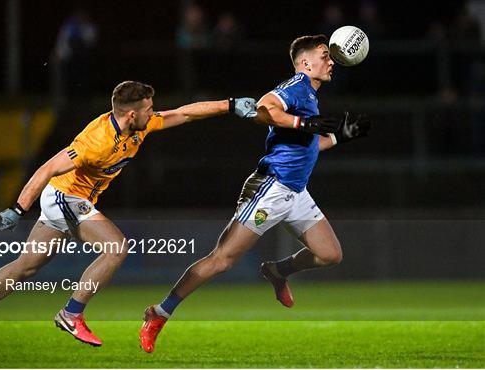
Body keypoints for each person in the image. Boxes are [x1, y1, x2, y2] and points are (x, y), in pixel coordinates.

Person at [0, 81, 257, 361]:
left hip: (71, 200)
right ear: (131, 113)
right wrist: (18, 207)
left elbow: (185, 114)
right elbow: (46, 169)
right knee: (116, 248)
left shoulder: (140, 126)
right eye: (149, 108)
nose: (153, 112)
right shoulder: (95, 141)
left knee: (26, 266)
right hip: (64, 198)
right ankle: (72, 313)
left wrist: (229, 105)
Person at [139, 35, 371, 353]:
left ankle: (276, 271)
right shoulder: (297, 86)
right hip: (270, 189)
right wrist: (305, 121)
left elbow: (307, 145)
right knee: (222, 260)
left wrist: (338, 137)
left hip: (296, 192)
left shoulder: (311, 96)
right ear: (305, 63)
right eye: (324, 55)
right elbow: (264, 109)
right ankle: (159, 312)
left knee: (330, 254)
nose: (331, 61)